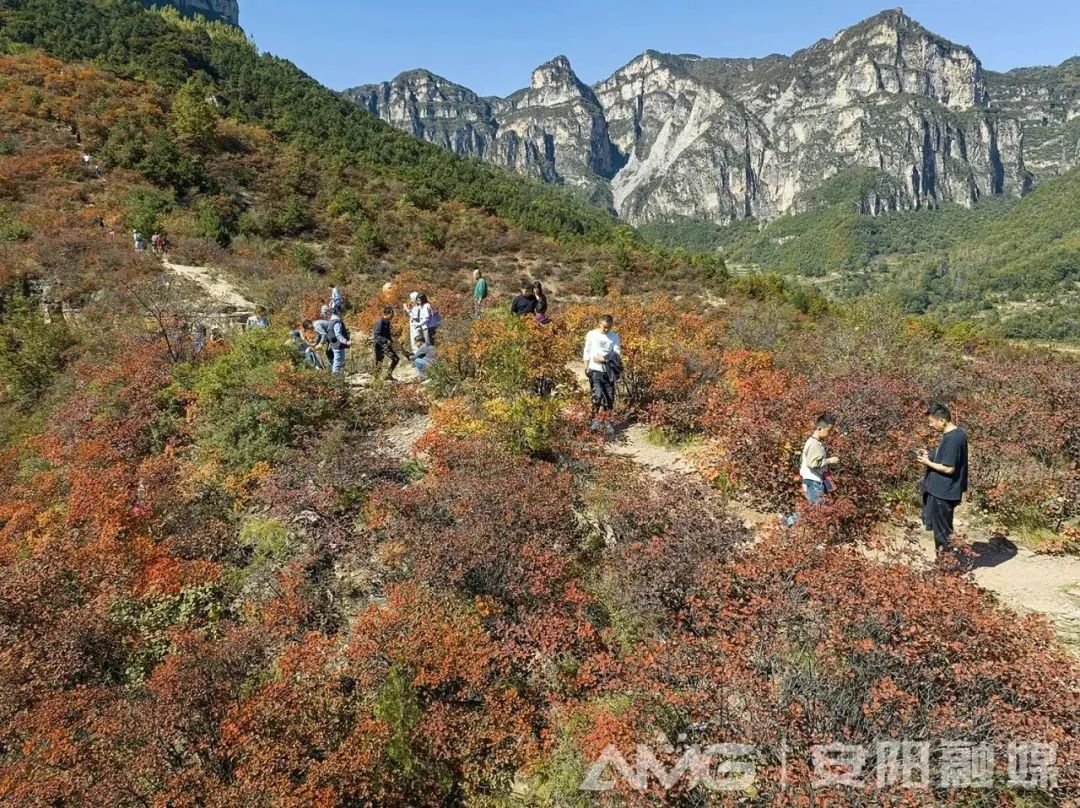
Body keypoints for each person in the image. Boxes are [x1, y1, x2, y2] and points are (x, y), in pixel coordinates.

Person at [917, 404, 970, 562]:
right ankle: (945, 563)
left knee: (942, 532)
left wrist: (927, 462)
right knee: (942, 529)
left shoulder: (954, 438)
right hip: (942, 490)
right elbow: (945, 455)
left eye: (932, 421)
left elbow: (949, 468)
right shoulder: (954, 434)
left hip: (943, 492)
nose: (930, 425)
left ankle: (946, 566)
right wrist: (931, 455)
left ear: (942, 421)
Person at [583, 314, 622, 433]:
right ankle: (594, 421)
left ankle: (607, 421)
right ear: (599, 324)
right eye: (604, 326)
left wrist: (604, 359)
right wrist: (586, 366)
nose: (606, 329)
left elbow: (617, 355)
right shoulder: (591, 334)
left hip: (608, 372)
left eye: (609, 327)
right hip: (595, 370)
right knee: (597, 395)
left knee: (609, 398)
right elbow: (587, 350)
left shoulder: (614, 337)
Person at [800, 414, 841, 505]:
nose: (829, 433)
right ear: (819, 429)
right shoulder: (814, 444)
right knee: (817, 510)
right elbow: (812, 464)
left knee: (817, 509)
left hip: (814, 482)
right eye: (828, 431)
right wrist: (830, 460)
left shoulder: (814, 442)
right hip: (813, 483)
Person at [373, 306, 399, 379]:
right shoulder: (380, 322)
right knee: (379, 362)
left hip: (386, 345)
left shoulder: (387, 322)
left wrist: (391, 341)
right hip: (379, 345)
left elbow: (388, 334)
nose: (393, 316)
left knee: (395, 359)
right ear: (386, 314)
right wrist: (386, 340)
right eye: (391, 314)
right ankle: (376, 379)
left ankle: (388, 375)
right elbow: (377, 335)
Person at [328, 310, 351, 374]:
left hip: (334, 344)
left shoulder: (331, 320)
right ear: (339, 312)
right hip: (338, 345)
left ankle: (339, 377)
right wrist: (346, 342)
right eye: (343, 312)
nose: (344, 314)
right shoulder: (337, 322)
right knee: (338, 362)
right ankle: (336, 378)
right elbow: (338, 335)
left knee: (338, 362)